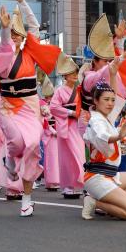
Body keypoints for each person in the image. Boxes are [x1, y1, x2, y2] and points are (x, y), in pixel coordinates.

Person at [0, 0, 61, 217]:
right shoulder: (0, 56)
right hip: (8, 107)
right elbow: (3, 48)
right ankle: (9, 159)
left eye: (18, 34)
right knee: (18, 143)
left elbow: (35, 26)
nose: (16, 37)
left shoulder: (30, 52)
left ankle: (27, 198)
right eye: (12, 33)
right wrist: (4, 29)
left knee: (31, 146)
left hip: (30, 106)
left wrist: (22, 2)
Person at [82, 71, 126, 220]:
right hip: (97, 177)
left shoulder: (107, 118)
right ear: (96, 101)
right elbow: (102, 137)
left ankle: (109, 198)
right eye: (106, 100)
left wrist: (113, 74)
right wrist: (119, 136)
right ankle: (96, 201)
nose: (110, 103)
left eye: (112, 100)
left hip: (112, 175)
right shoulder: (96, 121)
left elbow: (116, 95)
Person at [78, 14, 126, 133]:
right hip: (88, 124)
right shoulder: (89, 77)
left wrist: (118, 39)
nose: (107, 64)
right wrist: (123, 56)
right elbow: (108, 69)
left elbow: (111, 64)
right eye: (105, 61)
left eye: (108, 62)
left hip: (103, 121)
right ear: (95, 61)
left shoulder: (107, 75)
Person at [50, 54, 85, 198]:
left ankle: (78, 184)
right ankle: (67, 186)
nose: (75, 76)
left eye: (76, 73)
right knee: (67, 157)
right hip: (66, 126)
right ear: (65, 76)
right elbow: (53, 107)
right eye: (71, 73)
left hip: (78, 127)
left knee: (79, 155)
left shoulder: (79, 91)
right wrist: (71, 112)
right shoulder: (59, 91)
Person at [40, 76, 60, 191]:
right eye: (50, 95)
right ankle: (50, 181)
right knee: (50, 158)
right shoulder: (42, 104)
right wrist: (52, 131)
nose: (51, 97)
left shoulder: (53, 104)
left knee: (55, 158)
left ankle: (55, 180)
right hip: (49, 133)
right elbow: (45, 121)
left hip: (55, 133)